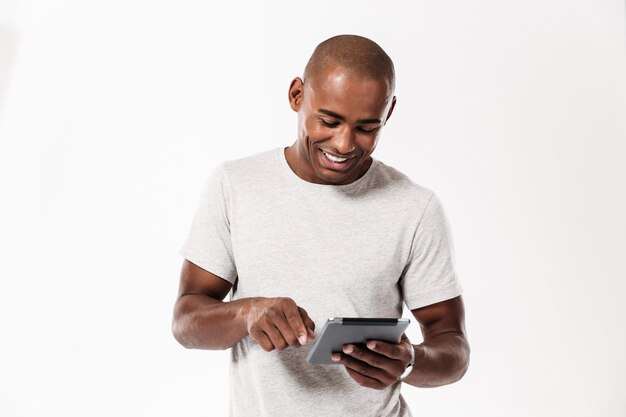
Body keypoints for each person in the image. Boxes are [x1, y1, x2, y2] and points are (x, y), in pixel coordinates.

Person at [172, 34, 470, 417]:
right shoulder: (235, 185)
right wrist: (246, 314)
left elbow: (453, 347)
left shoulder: (415, 207)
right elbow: (186, 321)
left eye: (367, 127)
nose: (344, 144)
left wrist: (410, 360)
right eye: (329, 121)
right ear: (297, 96)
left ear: (389, 112)